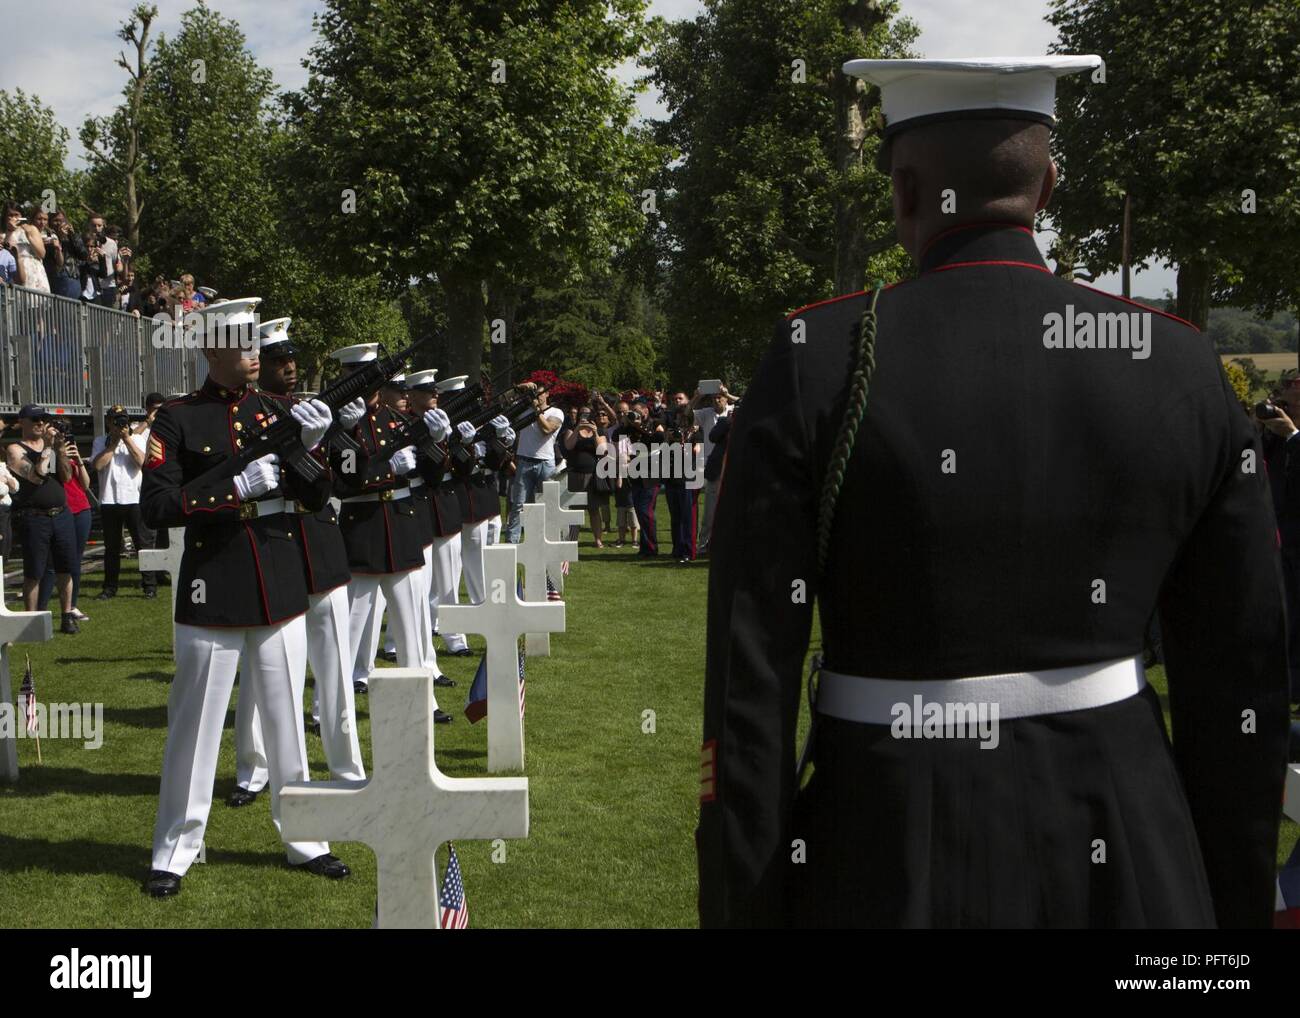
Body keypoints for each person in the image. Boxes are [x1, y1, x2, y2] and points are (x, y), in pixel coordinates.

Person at [699, 56, 1291, 929]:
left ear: (903, 191)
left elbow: (749, 693)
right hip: (1127, 848)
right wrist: (1226, 910)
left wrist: (742, 906)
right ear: (1047, 187)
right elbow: (1240, 679)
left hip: (881, 843)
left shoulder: (815, 360)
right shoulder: (1176, 360)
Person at [140, 297, 350, 898]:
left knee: (286, 724)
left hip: (279, 583)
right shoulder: (178, 419)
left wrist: (310, 451)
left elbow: (318, 500)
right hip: (215, 585)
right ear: (211, 349)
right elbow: (156, 506)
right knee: (197, 726)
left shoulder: (279, 412)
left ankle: (307, 839)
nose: (254, 352)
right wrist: (232, 489)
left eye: (256, 341)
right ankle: (175, 849)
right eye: (240, 342)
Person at [230, 317, 369, 805]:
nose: (289, 367)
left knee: (334, 665)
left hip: (318, 539)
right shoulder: (242, 413)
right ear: (257, 365)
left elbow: (347, 479)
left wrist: (347, 431)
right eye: (278, 360)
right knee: (263, 665)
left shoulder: (313, 410)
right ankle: (254, 767)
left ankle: (347, 766)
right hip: (270, 539)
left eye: (292, 359)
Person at [329, 343, 452, 723]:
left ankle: (423, 700)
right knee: (349, 628)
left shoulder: (396, 422)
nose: (365, 386)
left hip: (400, 525)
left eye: (370, 379)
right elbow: (341, 485)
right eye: (357, 377)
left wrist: (437, 441)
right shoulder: (336, 424)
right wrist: (385, 468)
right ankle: (332, 708)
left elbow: (432, 478)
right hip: (363, 529)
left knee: (412, 627)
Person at [5, 407, 78, 630]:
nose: (41, 423)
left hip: (60, 514)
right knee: (34, 571)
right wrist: (47, 448)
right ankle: (31, 621)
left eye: (44, 419)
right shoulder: (15, 449)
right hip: (34, 517)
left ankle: (67, 616)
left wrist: (60, 450)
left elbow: (65, 476)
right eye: (36, 419)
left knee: (66, 567)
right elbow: (35, 477)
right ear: (22, 422)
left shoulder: (51, 448)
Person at [92, 404, 157, 600]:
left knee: (143, 545)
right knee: (111, 548)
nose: (120, 424)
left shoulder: (137, 438)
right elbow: (98, 465)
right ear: (109, 422)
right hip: (109, 500)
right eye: (115, 420)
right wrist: (113, 443)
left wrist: (127, 438)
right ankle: (109, 588)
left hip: (134, 499)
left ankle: (149, 586)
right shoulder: (101, 441)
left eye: (123, 420)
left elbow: (142, 463)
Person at [38, 426, 92, 621]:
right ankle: (40, 608)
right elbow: (62, 477)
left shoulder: (73, 457)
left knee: (75, 561)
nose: (64, 440)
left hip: (81, 510)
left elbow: (85, 485)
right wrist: (57, 452)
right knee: (52, 564)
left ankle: (72, 606)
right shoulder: (50, 456)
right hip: (62, 512)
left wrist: (79, 461)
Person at [503, 382, 564, 543]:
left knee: (548, 504)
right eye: (534, 394)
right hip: (524, 461)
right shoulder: (523, 410)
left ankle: (549, 539)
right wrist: (518, 388)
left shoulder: (556, 411)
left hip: (546, 463)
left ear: (547, 395)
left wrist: (536, 408)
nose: (536, 397)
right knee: (518, 505)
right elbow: (501, 402)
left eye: (540, 394)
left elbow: (546, 429)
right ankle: (512, 542)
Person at [691, 384, 737, 555]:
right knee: (710, 510)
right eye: (713, 398)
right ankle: (704, 544)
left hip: (732, 465)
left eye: (720, 397)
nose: (716, 400)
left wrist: (728, 394)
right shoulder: (706, 413)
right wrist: (697, 397)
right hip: (713, 463)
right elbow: (687, 414)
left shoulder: (733, 410)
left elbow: (746, 402)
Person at [661, 405, 702, 563]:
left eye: (684, 418)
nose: (681, 421)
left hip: (688, 478)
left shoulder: (696, 433)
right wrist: (668, 439)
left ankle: (689, 551)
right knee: (675, 516)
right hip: (672, 478)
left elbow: (697, 451)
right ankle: (677, 548)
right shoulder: (672, 433)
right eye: (679, 417)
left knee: (688, 517)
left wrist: (684, 442)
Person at [562, 408, 607, 546]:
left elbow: (602, 451)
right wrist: (577, 429)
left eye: (588, 414)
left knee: (594, 509)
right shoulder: (571, 430)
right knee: (575, 509)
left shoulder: (599, 432)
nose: (585, 417)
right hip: (575, 474)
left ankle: (598, 539)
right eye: (583, 414)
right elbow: (569, 446)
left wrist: (594, 432)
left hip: (592, 475)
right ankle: (572, 539)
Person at [3, 202, 49, 292]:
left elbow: (42, 254)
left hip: (34, 271)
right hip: (14, 272)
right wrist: (10, 231)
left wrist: (29, 236)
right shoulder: (4, 234)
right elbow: (6, 252)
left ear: (21, 216)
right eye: (10, 215)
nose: (13, 218)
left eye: (16, 215)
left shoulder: (31, 229)